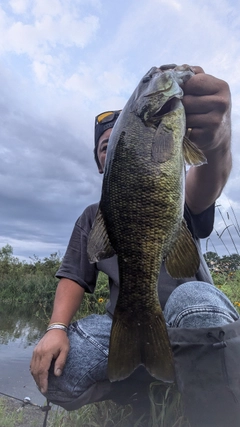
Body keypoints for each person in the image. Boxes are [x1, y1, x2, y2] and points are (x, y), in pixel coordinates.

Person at [30, 65, 240, 427]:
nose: (112, 148)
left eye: (118, 138)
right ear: (102, 161)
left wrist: (218, 140)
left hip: (185, 320)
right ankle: (139, 384)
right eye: (105, 146)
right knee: (57, 373)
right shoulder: (90, 218)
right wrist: (55, 329)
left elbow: (210, 179)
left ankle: (206, 399)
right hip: (125, 320)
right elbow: (74, 278)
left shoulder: (181, 197)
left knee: (196, 305)